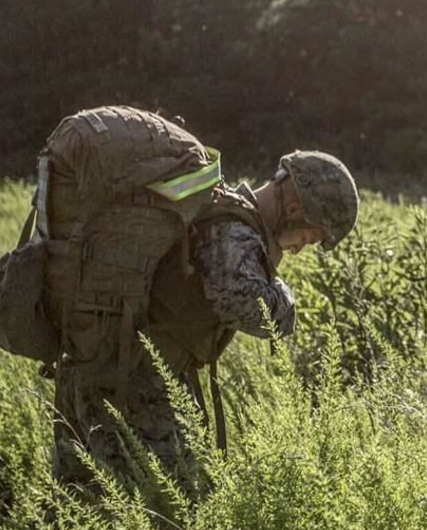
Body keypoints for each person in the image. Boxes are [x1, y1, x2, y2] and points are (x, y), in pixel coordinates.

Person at [29, 109, 359, 501]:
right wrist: (284, 300)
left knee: (79, 505)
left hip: (96, 359)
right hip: (134, 383)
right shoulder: (235, 230)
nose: (304, 246)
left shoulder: (217, 211)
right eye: (313, 234)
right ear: (295, 209)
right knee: (176, 506)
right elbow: (244, 304)